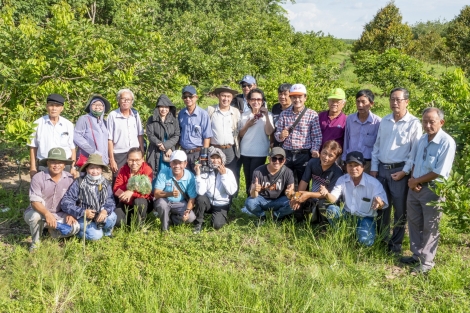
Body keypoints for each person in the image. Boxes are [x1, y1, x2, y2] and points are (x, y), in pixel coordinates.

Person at [400, 108, 456, 274]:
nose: (428, 125)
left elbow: (440, 171)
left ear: (441, 122)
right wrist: (412, 180)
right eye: (425, 121)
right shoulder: (422, 139)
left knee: (430, 226)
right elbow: (415, 161)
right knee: (414, 222)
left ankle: (427, 263)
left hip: (433, 189)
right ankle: (416, 255)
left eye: (432, 121)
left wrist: (416, 181)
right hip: (415, 187)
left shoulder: (447, 142)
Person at [370, 87, 422, 254]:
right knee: (382, 207)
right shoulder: (385, 121)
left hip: (399, 171)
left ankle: (396, 244)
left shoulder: (414, 123)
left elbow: (415, 151)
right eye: (392, 99)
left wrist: (405, 171)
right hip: (382, 170)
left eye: (398, 99)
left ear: (407, 102)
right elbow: (377, 146)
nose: (394, 102)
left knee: (400, 210)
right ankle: (382, 239)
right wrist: (373, 168)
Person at [322, 151, 388, 246]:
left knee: (366, 242)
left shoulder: (374, 183)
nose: (353, 168)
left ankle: (356, 233)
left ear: (363, 167)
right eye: (350, 165)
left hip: (365, 218)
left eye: (357, 165)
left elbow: (382, 204)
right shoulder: (342, 180)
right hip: (347, 215)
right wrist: (326, 194)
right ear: (346, 167)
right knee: (331, 210)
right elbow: (333, 199)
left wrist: (379, 203)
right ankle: (342, 233)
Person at [23, 148, 80, 252]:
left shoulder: (70, 179)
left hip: (59, 214)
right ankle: (35, 243)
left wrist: (70, 214)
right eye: (53, 162)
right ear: (48, 163)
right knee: (35, 217)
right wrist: (47, 214)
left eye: (60, 162)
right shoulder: (38, 178)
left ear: (64, 165)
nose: (56, 165)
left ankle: (52, 232)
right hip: (39, 212)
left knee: (76, 226)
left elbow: (73, 200)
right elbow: (35, 202)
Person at [61, 154, 117, 240]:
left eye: (98, 168)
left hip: (99, 214)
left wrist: (105, 211)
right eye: (92, 168)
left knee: (112, 216)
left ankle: (106, 233)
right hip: (83, 217)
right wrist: (83, 212)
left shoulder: (105, 183)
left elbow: (110, 201)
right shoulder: (79, 182)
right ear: (86, 169)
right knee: (95, 236)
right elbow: (66, 202)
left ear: (102, 170)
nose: (95, 172)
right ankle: (77, 232)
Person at [274, 83, 322, 183]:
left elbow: (316, 136)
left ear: (305, 98)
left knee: (303, 182)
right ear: (290, 98)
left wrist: (315, 149)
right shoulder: (284, 114)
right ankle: (286, 199)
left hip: (304, 155)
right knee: (286, 182)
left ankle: (303, 199)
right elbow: (277, 134)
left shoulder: (312, 115)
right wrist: (281, 136)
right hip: (287, 154)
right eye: (294, 97)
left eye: (300, 97)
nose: (297, 100)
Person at [290, 140, 344, 223]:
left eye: (330, 156)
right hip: (312, 197)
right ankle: (303, 217)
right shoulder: (312, 162)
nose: (326, 158)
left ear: (336, 158)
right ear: (320, 151)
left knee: (323, 203)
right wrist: (297, 197)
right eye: (324, 153)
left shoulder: (337, 172)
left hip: (327, 200)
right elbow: (304, 181)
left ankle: (324, 224)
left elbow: (329, 196)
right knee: (292, 200)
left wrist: (308, 194)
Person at [28, 94, 77, 178]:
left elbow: (72, 147)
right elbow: (33, 146)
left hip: (64, 164)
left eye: (57, 106)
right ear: (47, 106)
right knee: (44, 189)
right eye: (51, 105)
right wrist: (33, 167)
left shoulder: (68, 124)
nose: (54, 108)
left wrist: (73, 167)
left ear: (62, 108)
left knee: (66, 189)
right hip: (44, 164)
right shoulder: (37, 124)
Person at [238, 88, 274, 195]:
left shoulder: (268, 115)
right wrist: (247, 125)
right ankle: (249, 199)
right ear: (248, 101)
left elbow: (269, 132)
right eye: (253, 99)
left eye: (259, 99)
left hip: (260, 152)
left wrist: (266, 116)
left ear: (262, 101)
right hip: (246, 151)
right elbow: (240, 134)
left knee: (256, 178)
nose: (256, 102)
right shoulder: (244, 115)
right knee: (248, 177)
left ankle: (254, 199)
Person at [193, 148, 237, 233]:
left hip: (221, 205)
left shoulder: (228, 172)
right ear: (209, 159)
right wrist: (198, 175)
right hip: (209, 202)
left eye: (218, 158)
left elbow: (231, 191)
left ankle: (221, 216)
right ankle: (198, 224)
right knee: (200, 199)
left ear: (222, 159)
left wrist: (224, 176)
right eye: (213, 158)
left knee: (216, 225)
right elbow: (201, 192)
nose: (215, 160)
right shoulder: (206, 171)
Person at [245, 147, 294, 221]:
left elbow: (291, 193)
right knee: (249, 202)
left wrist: (289, 193)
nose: (277, 162)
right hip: (262, 199)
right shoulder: (258, 171)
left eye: (280, 159)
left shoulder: (288, 172)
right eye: (274, 158)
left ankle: (276, 216)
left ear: (284, 161)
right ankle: (262, 216)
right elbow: (253, 196)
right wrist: (254, 189)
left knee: (293, 203)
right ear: (269, 159)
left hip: (279, 200)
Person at [153, 150, 197, 231]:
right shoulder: (163, 172)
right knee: (161, 204)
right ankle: (165, 229)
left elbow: (192, 198)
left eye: (180, 163)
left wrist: (187, 211)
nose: (177, 166)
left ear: (185, 164)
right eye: (174, 162)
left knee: (191, 218)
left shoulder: (190, 176)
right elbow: (156, 194)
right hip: (165, 200)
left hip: (180, 202)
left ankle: (171, 219)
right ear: (170, 163)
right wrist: (170, 194)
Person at [107, 88, 145, 177]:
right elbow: (109, 139)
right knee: (119, 179)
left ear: (132, 101)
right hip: (119, 154)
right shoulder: (112, 115)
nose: (125, 101)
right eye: (123, 99)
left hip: (135, 152)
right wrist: (112, 159)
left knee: (135, 179)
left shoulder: (135, 114)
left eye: (128, 100)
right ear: (118, 100)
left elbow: (140, 134)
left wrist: (142, 153)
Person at [342, 89, 381, 173]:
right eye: (358, 101)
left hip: (368, 163)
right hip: (351, 161)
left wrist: (375, 167)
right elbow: (346, 140)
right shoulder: (350, 119)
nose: (360, 105)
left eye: (363, 102)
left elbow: (379, 145)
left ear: (371, 104)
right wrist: (344, 159)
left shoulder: (378, 122)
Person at [113, 147, 153, 226]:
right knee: (118, 221)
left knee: (139, 202)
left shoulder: (147, 170)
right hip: (126, 201)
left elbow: (147, 192)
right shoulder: (123, 169)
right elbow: (116, 189)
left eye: (137, 160)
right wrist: (128, 188)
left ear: (142, 159)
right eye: (131, 160)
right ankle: (131, 219)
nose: (134, 163)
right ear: (127, 160)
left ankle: (140, 224)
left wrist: (132, 192)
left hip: (142, 202)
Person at [207, 86, 240, 178]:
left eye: (228, 96)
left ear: (232, 98)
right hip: (215, 149)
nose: (226, 99)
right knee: (214, 175)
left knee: (232, 175)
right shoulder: (211, 110)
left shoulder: (235, 112)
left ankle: (232, 193)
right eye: (223, 96)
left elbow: (239, 131)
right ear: (218, 96)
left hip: (230, 149)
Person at [178, 85, 213, 174]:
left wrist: (204, 156)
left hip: (197, 154)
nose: (188, 99)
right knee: (183, 179)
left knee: (198, 179)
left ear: (196, 97)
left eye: (190, 96)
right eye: (185, 97)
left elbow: (207, 137)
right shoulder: (181, 114)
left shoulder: (203, 114)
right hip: (184, 152)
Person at [146, 94, 180, 178]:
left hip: (169, 151)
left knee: (169, 172)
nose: (164, 109)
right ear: (157, 107)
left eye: (166, 107)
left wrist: (166, 146)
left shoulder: (174, 120)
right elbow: (150, 134)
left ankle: (168, 191)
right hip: (155, 150)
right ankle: (155, 190)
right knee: (153, 172)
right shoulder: (151, 119)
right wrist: (159, 144)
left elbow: (176, 135)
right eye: (161, 107)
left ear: (169, 108)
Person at [74, 94, 111, 167]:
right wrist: (93, 151)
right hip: (89, 161)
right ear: (90, 106)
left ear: (103, 107)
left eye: (100, 105)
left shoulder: (105, 122)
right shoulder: (84, 119)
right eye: (94, 104)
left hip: (104, 162)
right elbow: (76, 136)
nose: (97, 107)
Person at [270, 83, 292, 147]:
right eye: (280, 94)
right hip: (276, 144)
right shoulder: (275, 107)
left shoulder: (295, 109)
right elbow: (273, 127)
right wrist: (272, 142)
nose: (282, 97)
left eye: (285, 94)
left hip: (289, 145)